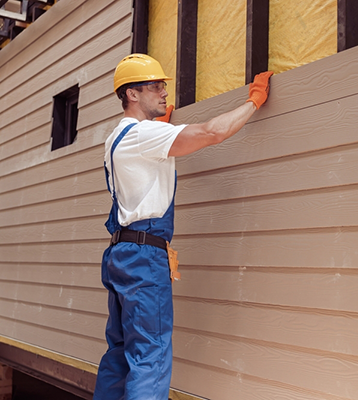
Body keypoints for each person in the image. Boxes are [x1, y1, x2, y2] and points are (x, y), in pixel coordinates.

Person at [93, 53, 273, 400]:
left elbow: (146, 164)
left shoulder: (117, 137)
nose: (163, 91)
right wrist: (253, 101)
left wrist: (163, 128)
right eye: (156, 86)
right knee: (150, 356)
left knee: (120, 353)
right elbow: (212, 132)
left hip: (121, 253)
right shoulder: (144, 135)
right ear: (132, 94)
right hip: (145, 257)